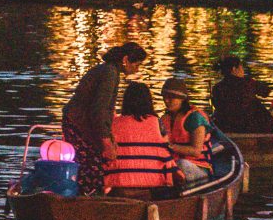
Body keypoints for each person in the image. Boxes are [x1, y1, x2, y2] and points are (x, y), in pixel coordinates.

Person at [62, 42, 148, 195]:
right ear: (126, 60)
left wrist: (108, 135)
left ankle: (84, 196)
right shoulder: (110, 73)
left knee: (89, 161)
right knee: (93, 163)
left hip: (78, 121)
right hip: (78, 122)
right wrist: (105, 140)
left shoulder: (108, 70)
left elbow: (104, 110)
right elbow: (100, 109)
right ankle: (87, 199)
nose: (137, 69)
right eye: (136, 64)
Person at [105, 81, 177, 196]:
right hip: (152, 185)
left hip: (118, 186)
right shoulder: (156, 122)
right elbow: (166, 151)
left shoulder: (114, 123)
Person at [160, 77, 213, 184]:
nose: (166, 100)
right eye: (164, 97)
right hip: (174, 165)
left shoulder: (195, 118)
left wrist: (170, 146)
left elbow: (196, 151)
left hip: (197, 168)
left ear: (182, 99)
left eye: (171, 97)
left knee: (182, 164)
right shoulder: (164, 119)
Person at [210, 55, 273, 134]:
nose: (243, 71)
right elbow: (265, 92)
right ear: (234, 69)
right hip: (250, 126)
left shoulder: (217, 88)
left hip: (226, 126)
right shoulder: (248, 83)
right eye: (241, 68)